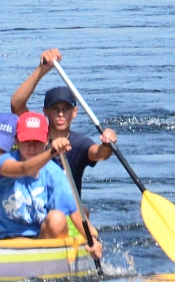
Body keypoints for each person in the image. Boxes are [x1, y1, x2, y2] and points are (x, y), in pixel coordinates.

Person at [0, 111, 102, 259]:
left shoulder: (54, 172)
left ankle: (56, 265)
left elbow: (75, 212)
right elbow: (24, 169)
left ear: (46, 140)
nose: (31, 147)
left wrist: (92, 241)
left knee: (57, 218)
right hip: (8, 239)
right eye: (26, 141)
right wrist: (52, 152)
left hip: (40, 239)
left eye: (37, 142)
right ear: (17, 140)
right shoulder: (4, 162)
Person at [10, 49, 118, 196]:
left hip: (68, 211)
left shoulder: (80, 143)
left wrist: (107, 144)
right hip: (36, 205)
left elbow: (99, 154)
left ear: (74, 112)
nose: (60, 114)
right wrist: (42, 70)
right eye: (55, 109)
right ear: (45, 112)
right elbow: (17, 104)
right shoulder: (33, 134)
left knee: (84, 213)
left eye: (66, 109)